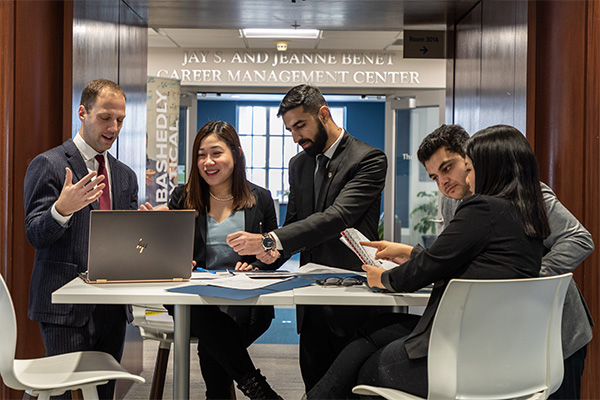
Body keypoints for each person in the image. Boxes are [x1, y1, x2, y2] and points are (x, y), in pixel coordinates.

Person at [307, 124, 552, 399]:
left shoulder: (484, 208)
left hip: (466, 352)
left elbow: (430, 267)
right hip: (502, 346)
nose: (467, 178)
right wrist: (411, 254)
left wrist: (383, 278)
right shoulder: (529, 214)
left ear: (493, 166)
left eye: (469, 168)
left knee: (365, 372)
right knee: (377, 328)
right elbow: (466, 263)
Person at [226, 84, 388, 392]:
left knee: (351, 388)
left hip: (354, 298)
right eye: (289, 129)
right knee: (314, 382)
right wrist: (270, 256)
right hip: (311, 299)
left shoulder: (368, 159)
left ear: (323, 114)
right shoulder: (299, 164)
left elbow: (337, 217)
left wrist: (269, 240)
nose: (296, 137)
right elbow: (297, 222)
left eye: (301, 125)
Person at [417, 124, 594, 400]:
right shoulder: (451, 202)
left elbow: (579, 239)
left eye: (448, 168)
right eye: (434, 177)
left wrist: (528, 278)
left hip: (556, 332)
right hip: (500, 332)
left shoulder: (525, 192)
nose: (443, 182)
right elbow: (452, 258)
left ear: (470, 158)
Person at [141, 121, 283, 400]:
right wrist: (161, 243)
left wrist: (258, 263)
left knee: (216, 336)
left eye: (216, 153)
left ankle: (237, 392)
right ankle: (258, 390)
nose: (208, 162)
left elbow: (276, 254)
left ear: (236, 153)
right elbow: (166, 252)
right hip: (192, 297)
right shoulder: (182, 197)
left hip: (245, 299)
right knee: (207, 316)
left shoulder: (261, 198)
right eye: (201, 154)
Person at [24, 79, 138, 399]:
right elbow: (35, 234)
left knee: (103, 394)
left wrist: (148, 235)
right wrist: (62, 209)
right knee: (65, 395)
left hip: (112, 308)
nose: (113, 127)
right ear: (83, 113)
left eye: (120, 120)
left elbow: (127, 245)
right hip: (63, 305)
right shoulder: (48, 164)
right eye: (105, 117)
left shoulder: (125, 175)